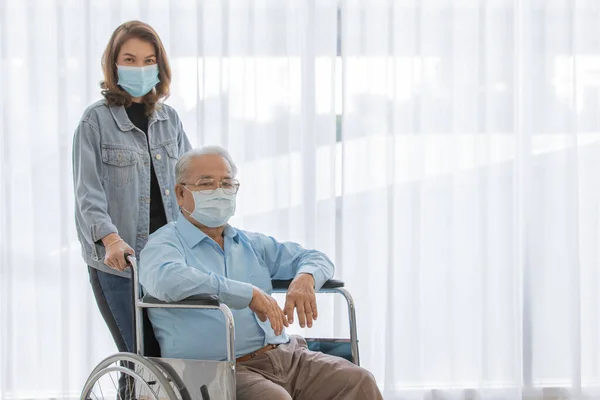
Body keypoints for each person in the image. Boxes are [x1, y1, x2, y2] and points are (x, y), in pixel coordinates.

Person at [139, 147, 383, 400]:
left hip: (285, 356)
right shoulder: (164, 244)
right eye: (206, 184)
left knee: (357, 380)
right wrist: (247, 294)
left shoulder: (250, 243)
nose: (219, 192)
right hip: (217, 370)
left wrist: (305, 278)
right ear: (181, 193)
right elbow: (167, 280)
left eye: (226, 183)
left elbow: (315, 258)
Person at [72, 20, 192, 363]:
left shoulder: (170, 119)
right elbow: (88, 195)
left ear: (159, 65)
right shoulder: (95, 121)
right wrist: (110, 241)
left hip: (169, 258)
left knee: (174, 356)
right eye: (129, 59)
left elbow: (190, 181)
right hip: (121, 263)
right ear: (113, 65)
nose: (139, 68)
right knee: (140, 356)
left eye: (147, 60)